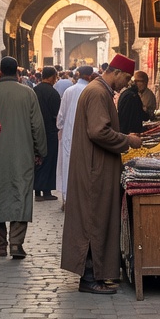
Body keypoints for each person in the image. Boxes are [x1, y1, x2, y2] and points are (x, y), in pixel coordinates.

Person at [61, 55, 143, 294]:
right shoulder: (97, 92)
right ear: (115, 72)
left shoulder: (98, 90)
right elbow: (98, 131)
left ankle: (97, 273)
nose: (127, 83)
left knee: (95, 218)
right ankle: (89, 277)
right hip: (94, 170)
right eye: (126, 78)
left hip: (95, 167)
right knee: (93, 220)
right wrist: (127, 140)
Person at [0, 57, 47, 259]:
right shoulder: (28, 93)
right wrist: (40, 151)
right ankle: (16, 244)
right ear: (17, 73)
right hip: (22, 154)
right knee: (22, 194)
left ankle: (0, 244)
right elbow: (37, 125)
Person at [55, 65, 93, 210]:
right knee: (84, 166)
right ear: (90, 76)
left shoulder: (69, 91)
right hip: (86, 135)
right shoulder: (91, 91)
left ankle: (67, 200)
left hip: (68, 135)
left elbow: (61, 116)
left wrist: (61, 128)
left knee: (67, 166)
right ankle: (82, 201)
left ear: (78, 74)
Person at [33, 67, 62, 201]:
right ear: (51, 77)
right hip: (49, 131)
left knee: (38, 159)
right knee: (49, 159)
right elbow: (57, 115)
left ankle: (37, 191)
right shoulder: (53, 93)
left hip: (35, 131)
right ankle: (47, 191)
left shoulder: (34, 91)